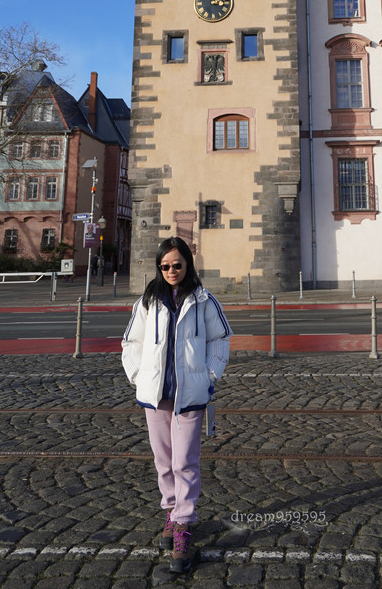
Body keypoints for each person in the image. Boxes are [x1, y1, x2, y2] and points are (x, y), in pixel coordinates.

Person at [121, 236, 232, 573]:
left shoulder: (204, 300)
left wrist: (210, 375)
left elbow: (221, 338)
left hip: (190, 396)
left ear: (187, 264)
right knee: (164, 461)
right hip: (155, 396)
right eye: (165, 266)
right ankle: (171, 512)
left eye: (177, 265)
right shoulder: (147, 302)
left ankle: (183, 524)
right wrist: (137, 375)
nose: (171, 271)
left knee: (185, 462)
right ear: (160, 267)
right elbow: (131, 341)